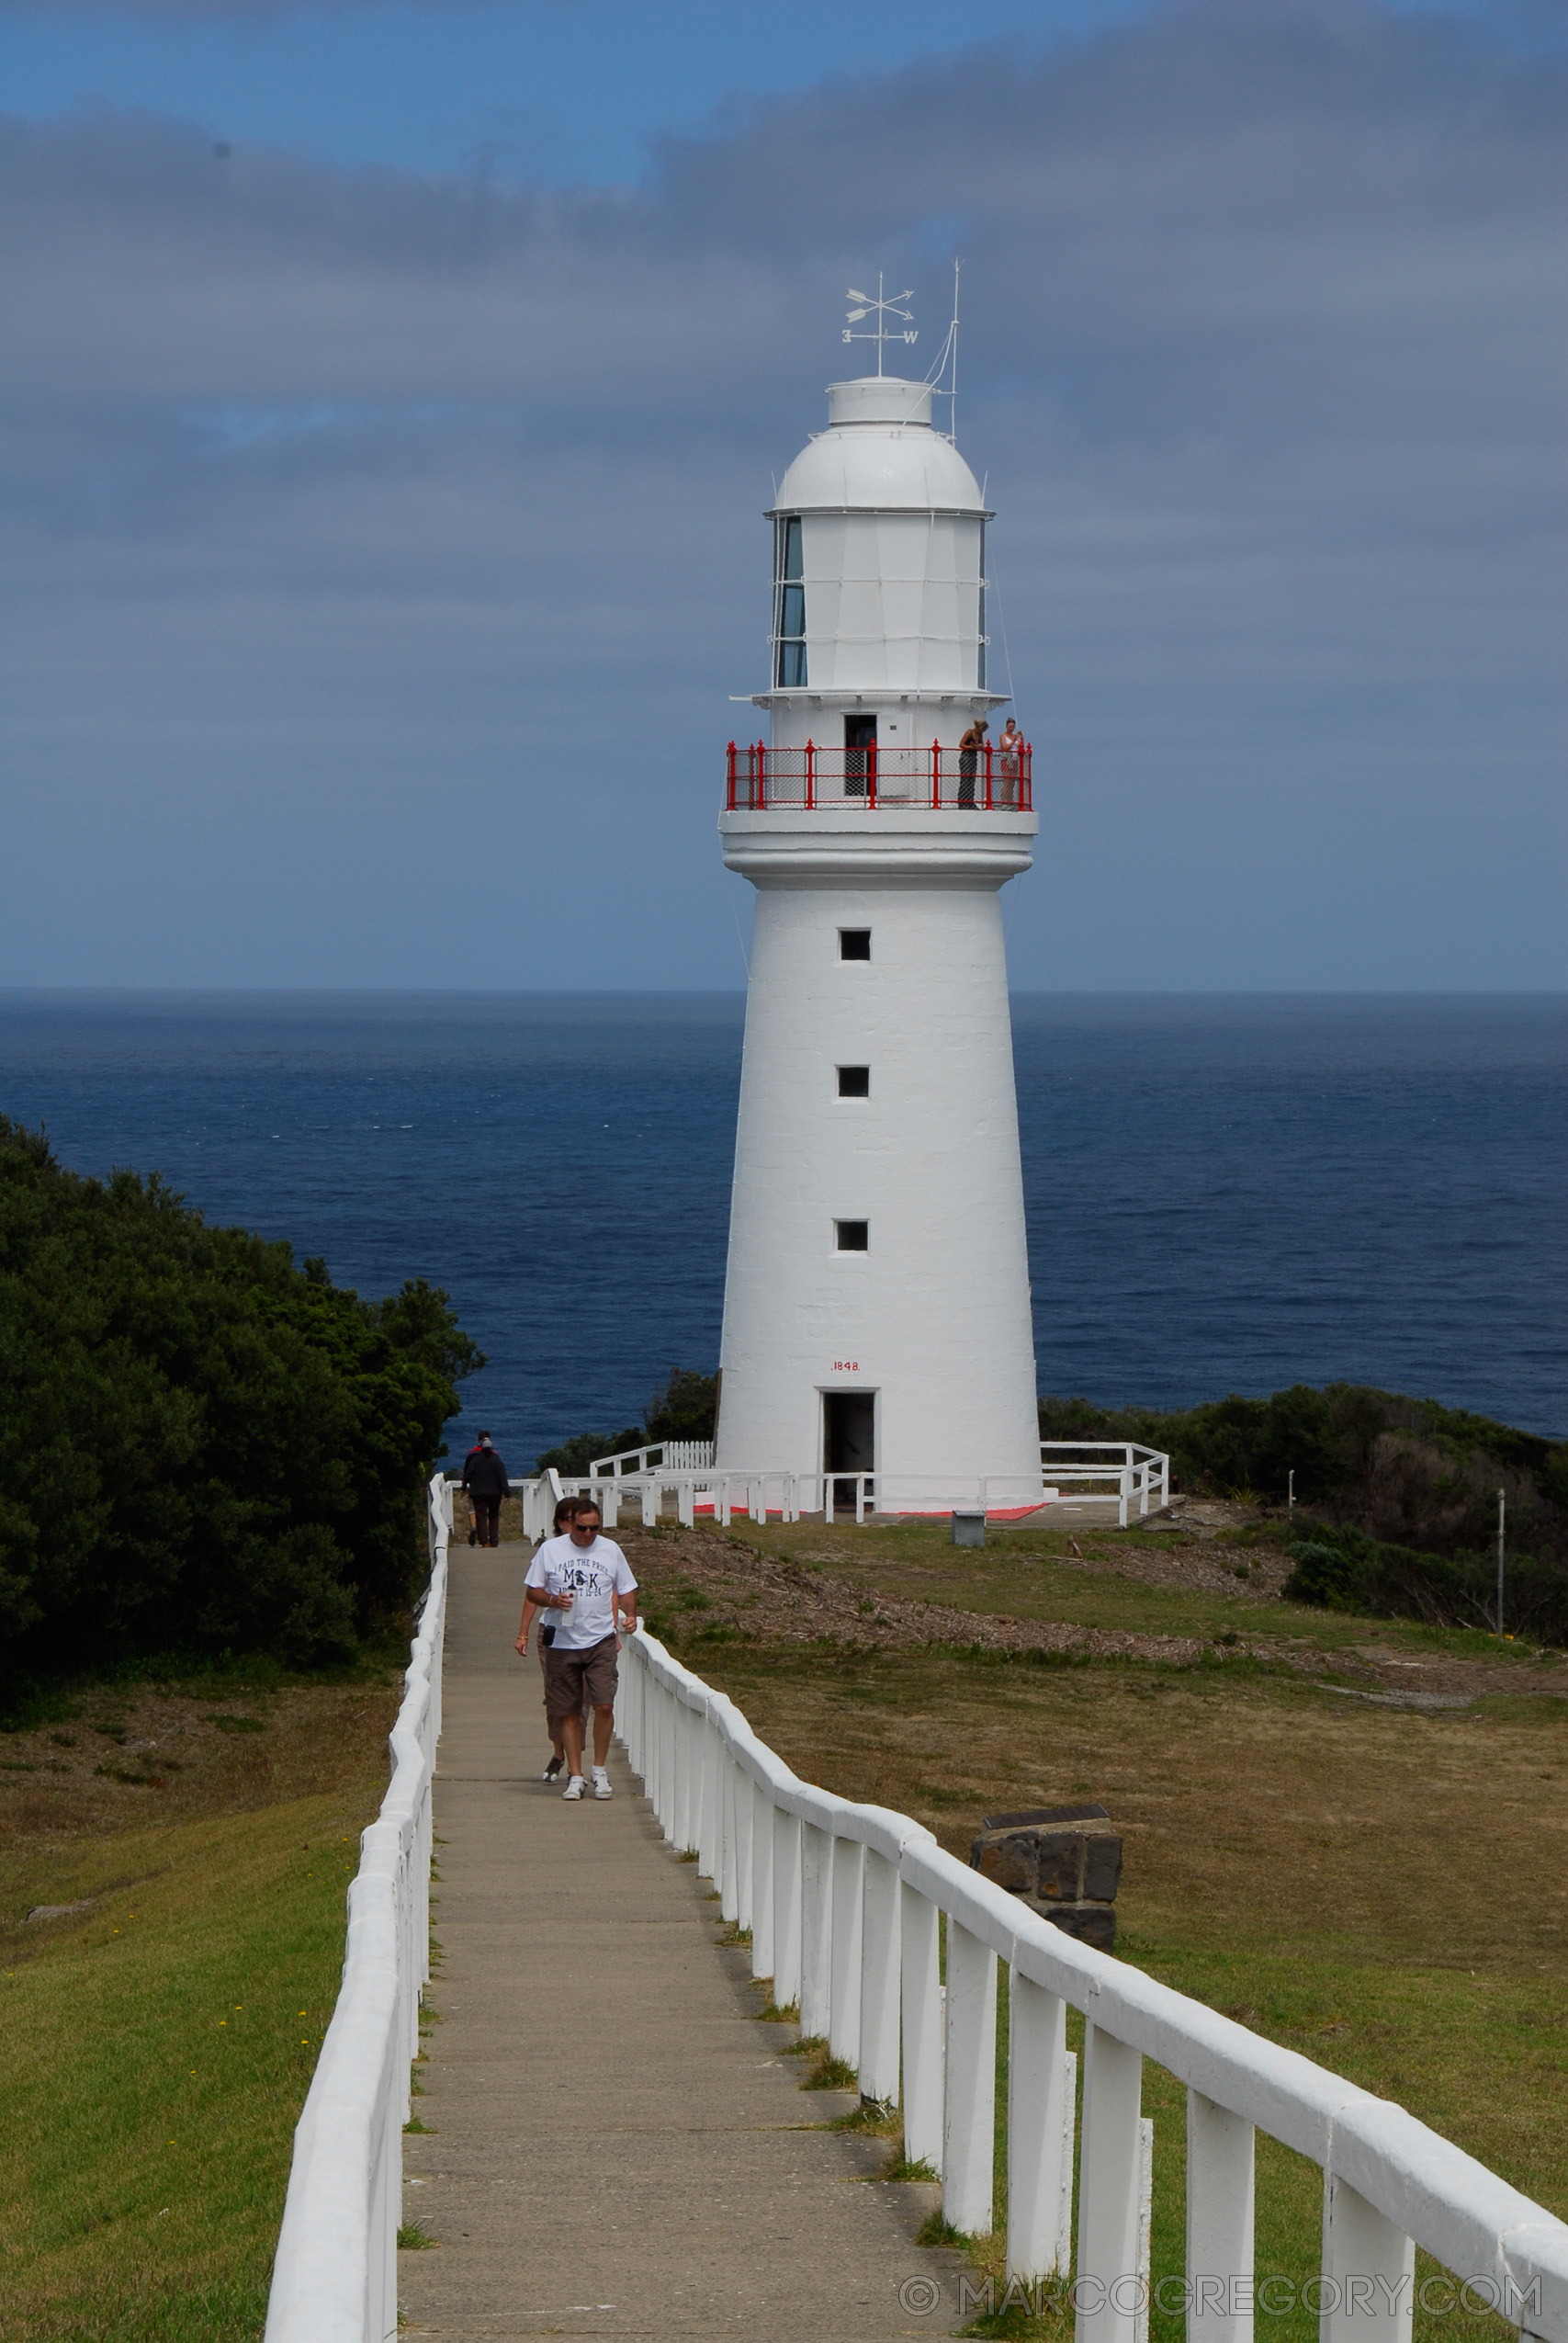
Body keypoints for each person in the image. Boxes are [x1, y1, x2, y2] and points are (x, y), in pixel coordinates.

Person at [519, 1496, 637, 1801]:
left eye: (594, 1528)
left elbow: (626, 1587)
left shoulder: (611, 1550)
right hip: (561, 1641)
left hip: (600, 1640)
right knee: (568, 1710)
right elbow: (532, 1591)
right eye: (582, 1528)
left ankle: (599, 1770)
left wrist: (631, 1615)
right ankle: (575, 1774)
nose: (588, 1534)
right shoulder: (551, 1550)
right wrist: (553, 1601)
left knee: (604, 1705)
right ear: (569, 1525)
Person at [516, 1495, 577, 1781]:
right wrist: (522, 1632)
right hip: (553, 1634)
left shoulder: (601, 1551)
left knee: (585, 1699)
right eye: (569, 1519)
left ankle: (577, 1758)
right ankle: (558, 1752)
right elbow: (533, 1593)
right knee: (556, 1696)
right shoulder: (549, 1551)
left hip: (589, 1637)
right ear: (560, 1522)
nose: (576, 1526)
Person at [460, 1432, 510, 1549]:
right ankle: (494, 1541)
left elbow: (467, 1475)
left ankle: (484, 1542)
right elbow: (502, 1477)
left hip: (478, 1493)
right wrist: (506, 1492)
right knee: (493, 1516)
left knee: (481, 1516)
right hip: (494, 1493)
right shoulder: (497, 1461)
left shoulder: (475, 1461)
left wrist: (464, 1487)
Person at [957, 717, 987, 807]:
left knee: (971, 780)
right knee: (965, 779)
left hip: (973, 758)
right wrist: (972, 747)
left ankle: (970, 801)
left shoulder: (980, 735)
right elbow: (961, 744)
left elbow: (981, 744)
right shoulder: (969, 732)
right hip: (966, 757)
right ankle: (962, 802)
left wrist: (981, 747)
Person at [997, 716, 1024, 807]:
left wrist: (1021, 738)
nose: (1011, 729)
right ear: (1006, 726)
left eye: (1013, 727)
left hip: (1015, 760)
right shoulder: (1003, 736)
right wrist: (1013, 740)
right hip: (1007, 760)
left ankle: (1010, 801)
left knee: (1012, 783)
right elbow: (1005, 747)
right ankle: (1004, 801)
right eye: (1010, 727)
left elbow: (1021, 747)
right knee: (1007, 782)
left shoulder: (1015, 736)